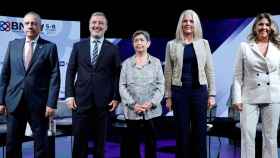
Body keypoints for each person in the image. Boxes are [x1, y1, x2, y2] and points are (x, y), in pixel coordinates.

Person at [0, 11, 60, 158]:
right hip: (14, 103)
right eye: (27, 23)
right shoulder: (13, 45)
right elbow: (5, 74)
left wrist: (51, 104)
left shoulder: (50, 47)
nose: (30, 26)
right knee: (12, 145)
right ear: (23, 26)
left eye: (34, 23)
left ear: (41, 26)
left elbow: (54, 76)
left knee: (41, 146)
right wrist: (1, 101)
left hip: (39, 105)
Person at [65, 12, 121, 158]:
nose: (97, 25)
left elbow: (117, 75)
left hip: (104, 103)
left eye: (101, 23)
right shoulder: (78, 46)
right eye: (94, 22)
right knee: (79, 142)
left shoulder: (113, 48)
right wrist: (69, 95)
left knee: (100, 143)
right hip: (80, 101)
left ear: (106, 27)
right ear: (89, 26)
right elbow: (70, 72)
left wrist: (116, 97)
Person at [164, 9, 216, 158]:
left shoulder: (203, 43)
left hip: (199, 92)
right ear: (181, 23)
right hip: (179, 93)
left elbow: (210, 70)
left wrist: (212, 94)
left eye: (191, 21)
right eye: (185, 21)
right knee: (181, 132)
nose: (188, 24)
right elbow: (168, 71)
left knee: (200, 131)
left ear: (196, 24)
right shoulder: (171, 44)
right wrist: (168, 96)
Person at [232, 13, 280, 158]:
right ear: (255, 28)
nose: (264, 27)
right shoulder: (244, 47)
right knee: (247, 137)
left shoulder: (278, 48)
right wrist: (237, 98)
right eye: (260, 24)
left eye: (267, 24)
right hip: (250, 96)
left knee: (271, 138)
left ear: (271, 28)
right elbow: (237, 76)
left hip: (273, 96)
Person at [119, 30, 164, 158]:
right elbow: (122, 86)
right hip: (132, 112)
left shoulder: (156, 62)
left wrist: (151, 103)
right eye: (136, 41)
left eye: (142, 40)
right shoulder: (126, 64)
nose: (139, 43)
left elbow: (161, 85)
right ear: (133, 44)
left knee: (151, 144)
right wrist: (133, 105)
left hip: (152, 112)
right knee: (132, 145)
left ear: (148, 43)